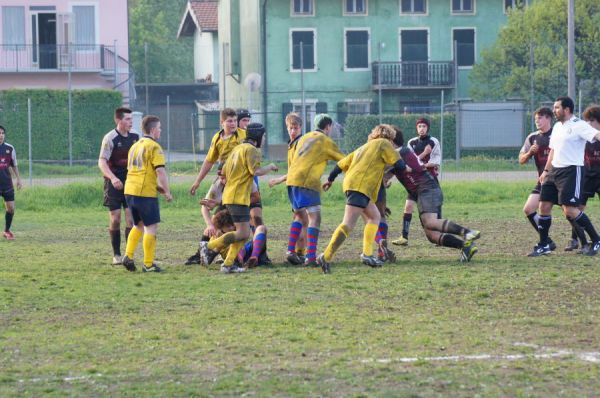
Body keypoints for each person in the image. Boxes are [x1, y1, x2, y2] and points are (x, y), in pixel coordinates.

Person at [318, 124, 408, 274]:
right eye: (392, 141)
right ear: (389, 138)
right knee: (347, 224)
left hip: (355, 185)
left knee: (375, 216)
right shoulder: (384, 143)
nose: (392, 144)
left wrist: (330, 179)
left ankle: (367, 254)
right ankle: (326, 256)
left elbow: (340, 165)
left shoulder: (364, 147)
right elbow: (400, 165)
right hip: (360, 186)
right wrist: (405, 166)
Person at [388, 126, 481, 262]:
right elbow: (389, 173)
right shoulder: (399, 155)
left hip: (428, 189)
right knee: (431, 235)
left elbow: (389, 168)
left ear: (390, 140)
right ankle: (465, 246)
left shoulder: (401, 151)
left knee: (431, 222)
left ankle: (467, 232)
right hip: (420, 192)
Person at [199, 123, 278, 273]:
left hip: (230, 195)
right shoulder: (252, 150)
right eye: (264, 136)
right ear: (258, 136)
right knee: (243, 233)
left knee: (243, 233)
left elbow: (225, 172)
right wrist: (270, 167)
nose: (264, 138)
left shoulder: (237, 149)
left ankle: (228, 264)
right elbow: (256, 171)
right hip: (238, 197)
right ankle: (208, 246)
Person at [530, 96, 600, 257]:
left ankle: (596, 240)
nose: (554, 110)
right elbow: (553, 151)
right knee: (544, 207)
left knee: (570, 211)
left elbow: (597, 136)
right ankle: (544, 244)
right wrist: (546, 171)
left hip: (571, 171)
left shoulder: (579, 125)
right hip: (554, 171)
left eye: (557, 108)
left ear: (566, 109)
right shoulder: (557, 127)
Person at [282, 113, 345, 266]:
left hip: (292, 181)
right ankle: (310, 258)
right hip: (308, 181)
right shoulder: (325, 140)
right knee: (315, 219)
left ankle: (291, 251)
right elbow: (344, 160)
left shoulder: (304, 138)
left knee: (300, 217)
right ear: (328, 126)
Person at [121, 115, 173, 272]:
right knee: (151, 227)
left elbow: (140, 171)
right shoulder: (154, 147)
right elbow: (160, 171)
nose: (160, 130)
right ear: (153, 129)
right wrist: (167, 191)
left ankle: (128, 256)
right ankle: (148, 264)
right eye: (159, 128)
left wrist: (158, 188)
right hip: (144, 193)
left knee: (138, 225)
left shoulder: (135, 146)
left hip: (130, 190)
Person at [98, 107, 139, 264]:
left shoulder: (136, 136)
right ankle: (116, 255)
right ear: (118, 120)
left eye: (131, 119)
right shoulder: (110, 138)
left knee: (130, 220)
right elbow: (101, 162)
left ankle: (128, 256)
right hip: (113, 184)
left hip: (131, 184)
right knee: (115, 219)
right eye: (128, 119)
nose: (131, 122)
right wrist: (113, 178)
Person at [392, 117, 441, 246]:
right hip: (414, 181)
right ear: (416, 128)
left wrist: (423, 165)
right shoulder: (412, 142)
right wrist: (423, 156)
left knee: (434, 208)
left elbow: (436, 161)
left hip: (428, 180)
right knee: (408, 206)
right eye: (419, 126)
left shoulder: (433, 141)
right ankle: (404, 237)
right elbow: (410, 161)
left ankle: (438, 236)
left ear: (428, 128)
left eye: (424, 126)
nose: (422, 129)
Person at [269, 112, 309, 264]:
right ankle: (299, 252)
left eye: (296, 128)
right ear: (287, 128)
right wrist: (280, 179)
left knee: (299, 218)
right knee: (305, 220)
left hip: (295, 184)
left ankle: (296, 252)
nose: (293, 131)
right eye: (291, 128)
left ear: (301, 128)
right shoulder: (294, 144)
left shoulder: (299, 143)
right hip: (298, 185)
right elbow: (295, 170)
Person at [518, 107, 560, 251]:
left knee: (571, 212)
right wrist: (530, 152)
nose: (537, 121)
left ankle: (582, 241)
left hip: (561, 179)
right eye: (536, 119)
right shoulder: (532, 137)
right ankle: (546, 240)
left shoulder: (558, 134)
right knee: (529, 208)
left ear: (549, 118)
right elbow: (521, 160)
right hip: (543, 181)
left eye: (540, 118)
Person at [189, 108, 246, 195]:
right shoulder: (217, 138)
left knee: (254, 201)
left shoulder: (244, 134)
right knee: (206, 205)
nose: (233, 124)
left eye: (235, 120)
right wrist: (198, 181)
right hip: (223, 177)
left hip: (241, 177)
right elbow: (209, 161)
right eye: (230, 121)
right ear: (222, 122)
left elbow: (255, 148)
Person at [0, 125, 22, 240]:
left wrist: (18, 179)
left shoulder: (10, 148)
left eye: (3, 133)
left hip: (7, 184)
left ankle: (7, 231)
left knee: (11, 208)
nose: (1, 135)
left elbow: (14, 165)